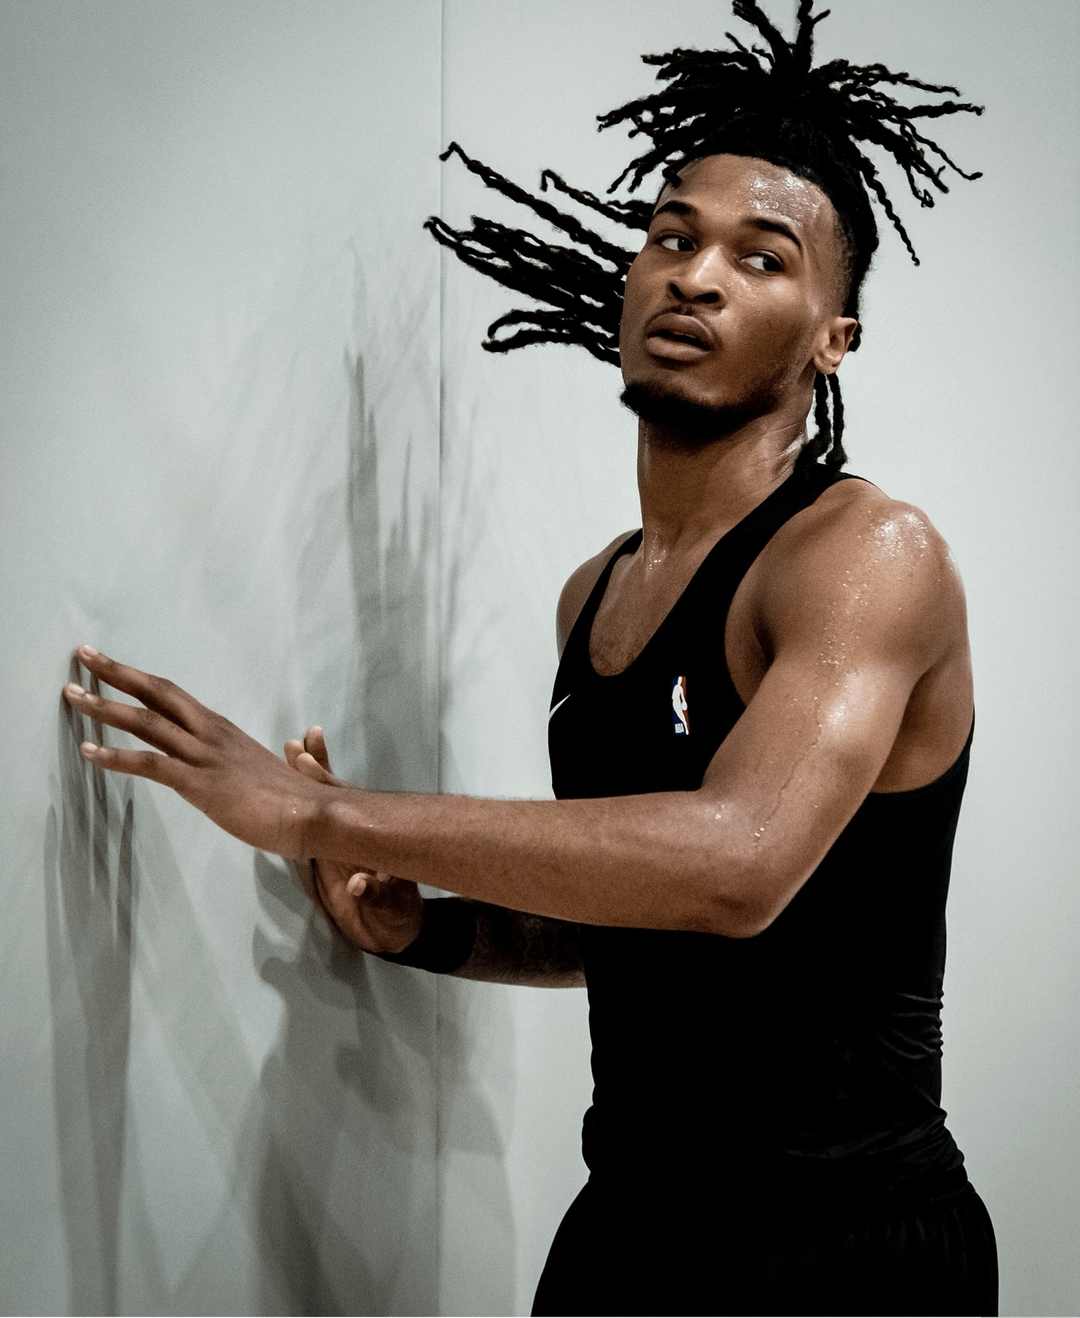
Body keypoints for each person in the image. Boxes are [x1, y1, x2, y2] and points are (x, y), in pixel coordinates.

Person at [62, 3, 998, 1313]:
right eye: (672, 236)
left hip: (843, 1241)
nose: (697, 275)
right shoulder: (593, 596)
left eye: (761, 257)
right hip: (634, 1223)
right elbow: (633, 910)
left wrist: (322, 810)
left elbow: (735, 866)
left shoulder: (866, 554)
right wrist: (431, 928)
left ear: (832, 335)